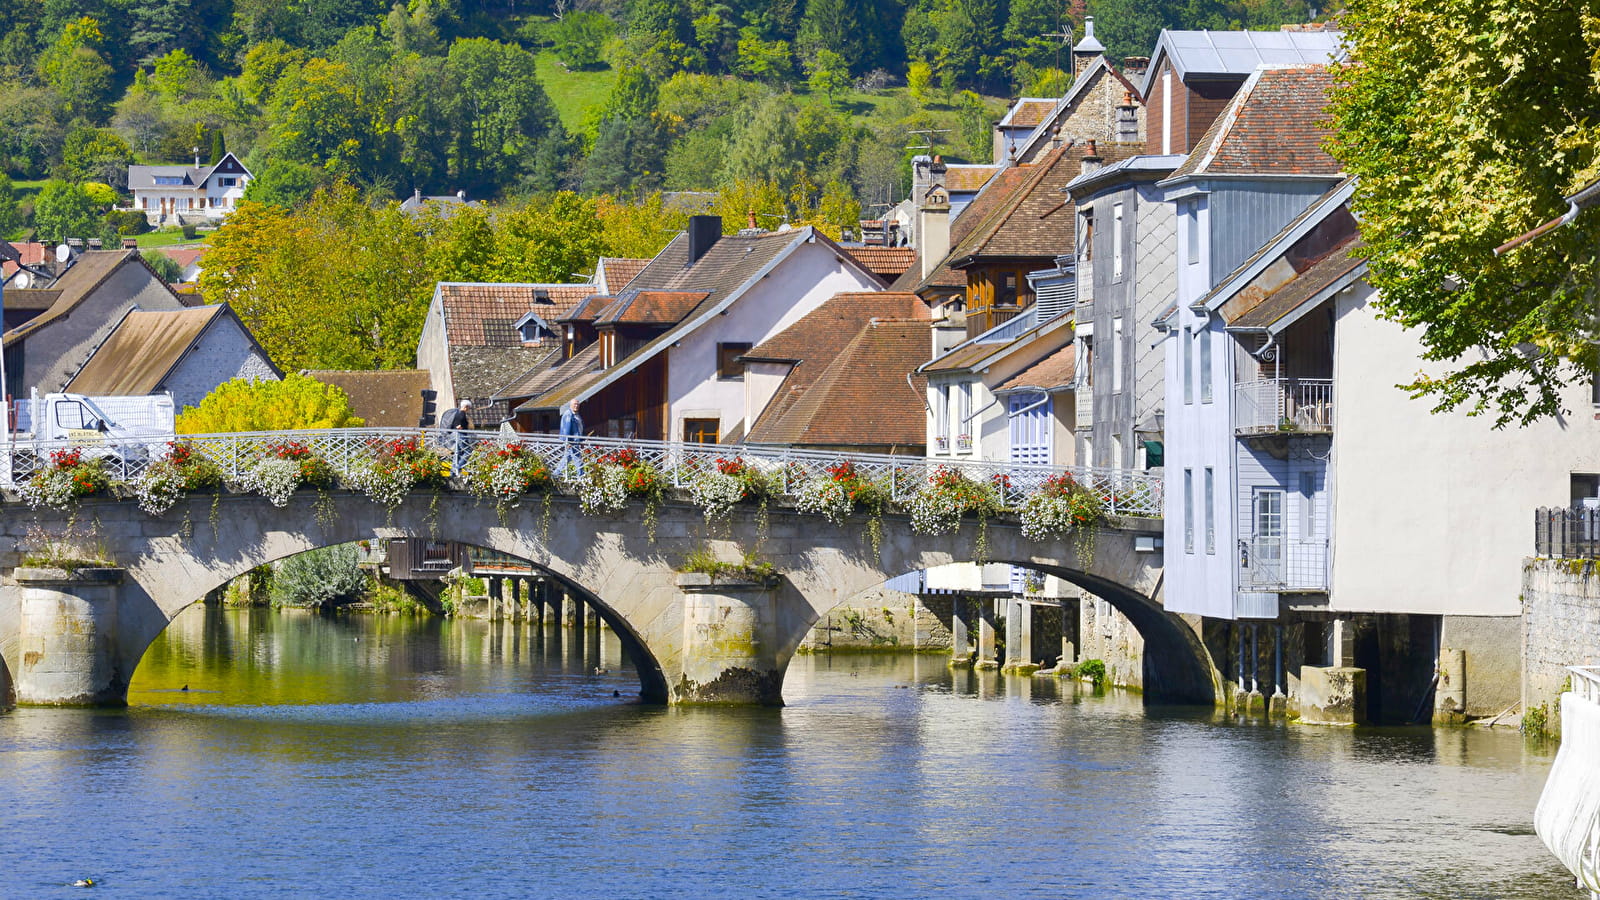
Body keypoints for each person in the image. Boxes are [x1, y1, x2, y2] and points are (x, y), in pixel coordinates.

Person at [440, 399, 472, 471]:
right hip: (461, 435)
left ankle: (453, 471)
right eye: (468, 408)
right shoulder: (462, 414)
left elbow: (452, 425)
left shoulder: (456, 413)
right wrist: (460, 426)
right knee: (467, 452)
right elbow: (460, 424)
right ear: (465, 407)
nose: (468, 410)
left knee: (457, 452)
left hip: (455, 435)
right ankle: (458, 467)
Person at [559, 398, 583, 475]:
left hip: (576, 441)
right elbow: (566, 429)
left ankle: (556, 474)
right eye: (574, 404)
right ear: (571, 405)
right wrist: (567, 441)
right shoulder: (568, 414)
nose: (576, 406)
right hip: (572, 441)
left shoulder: (577, 415)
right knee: (577, 458)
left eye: (577, 404)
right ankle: (581, 475)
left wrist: (582, 440)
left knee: (567, 458)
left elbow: (580, 427)